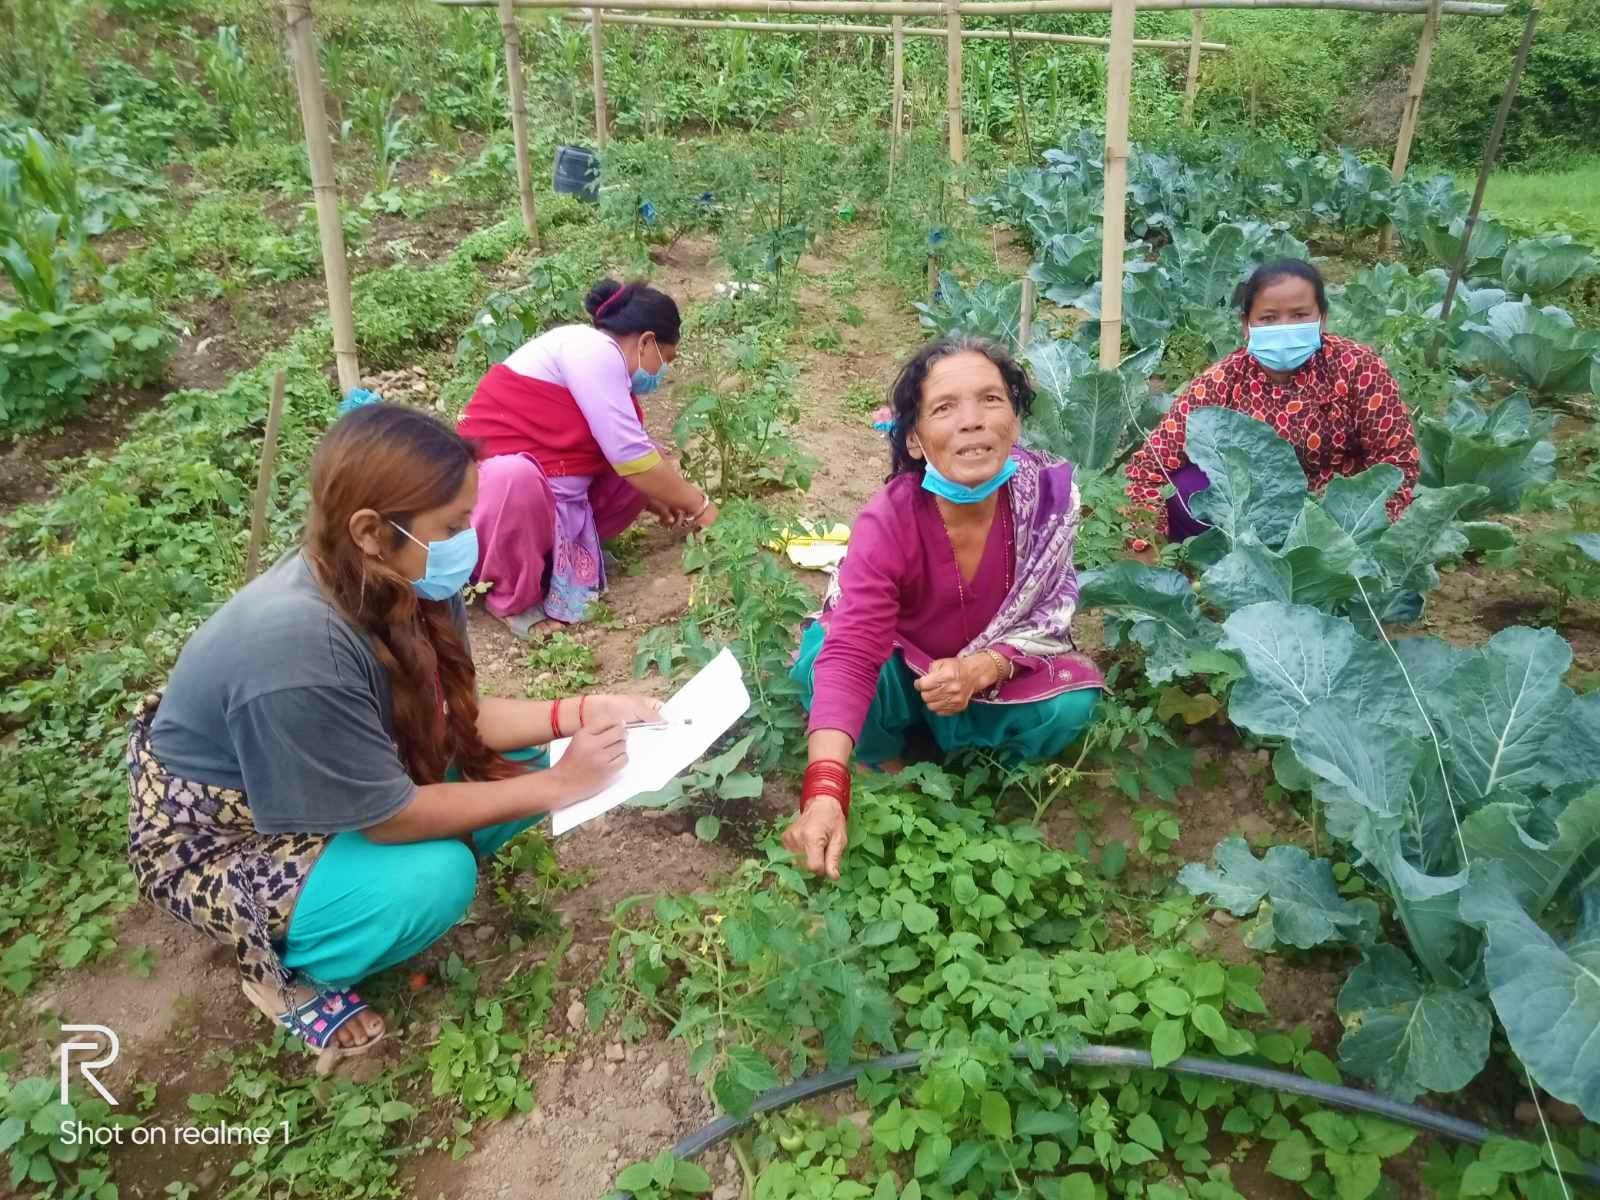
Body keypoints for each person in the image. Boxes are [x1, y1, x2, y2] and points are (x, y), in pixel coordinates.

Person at [128, 405, 660, 1066]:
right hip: (226, 833)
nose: (470, 537)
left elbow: (453, 717)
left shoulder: (404, 578)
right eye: (455, 525)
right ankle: (292, 970)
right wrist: (562, 785)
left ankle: (358, 885)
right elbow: (388, 818)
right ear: (372, 531)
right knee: (432, 876)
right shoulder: (297, 646)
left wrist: (579, 712)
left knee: (521, 755)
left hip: (327, 775)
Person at [784, 337, 1105, 879]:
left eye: (991, 400)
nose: (972, 421)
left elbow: (1049, 614)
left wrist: (982, 668)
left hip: (985, 679)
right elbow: (855, 650)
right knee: (827, 662)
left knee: (1073, 702)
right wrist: (823, 791)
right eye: (944, 407)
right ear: (913, 439)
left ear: (1016, 422)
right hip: (900, 668)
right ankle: (885, 756)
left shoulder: (1048, 502)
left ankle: (963, 750)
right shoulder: (889, 522)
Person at [457, 278, 718, 637]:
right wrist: (701, 506)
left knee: (651, 459)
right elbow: (627, 454)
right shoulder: (591, 348)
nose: (662, 373)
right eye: (665, 359)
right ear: (646, 342)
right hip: (490, 503)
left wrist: (653, 496)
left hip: (550, 493)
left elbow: (615, 449)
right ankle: (510, 596)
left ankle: (560, 563)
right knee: (514, 477)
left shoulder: (604, 364)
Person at [1125, 259, 1420, 539]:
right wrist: (1145, 539)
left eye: (1300, 315)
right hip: (1249, 512)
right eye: (1268, 318)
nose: (1284, 327)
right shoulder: (1223, 380)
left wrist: (1370, 531)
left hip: (1331, 513)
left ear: (1322, 318)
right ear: (1246, 325)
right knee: (1182, 492)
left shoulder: (1358, 368)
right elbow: (1150, 466)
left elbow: (1396, 464)